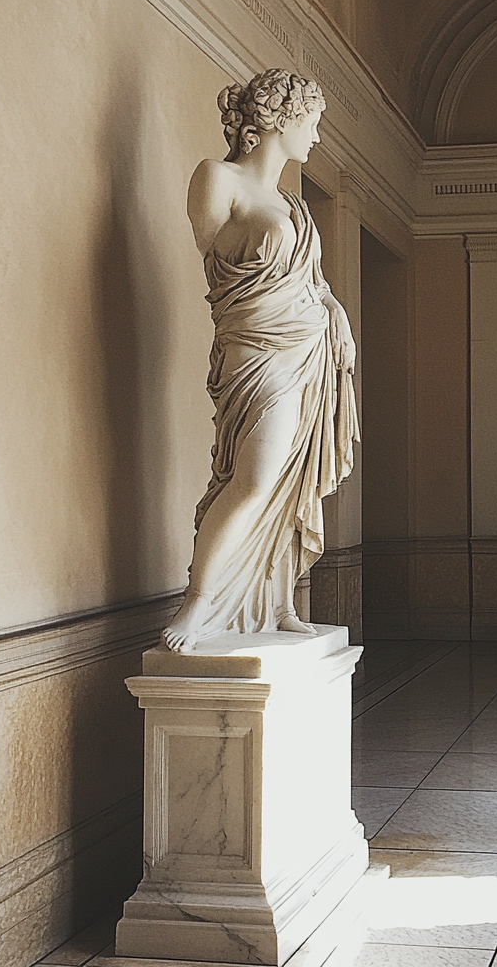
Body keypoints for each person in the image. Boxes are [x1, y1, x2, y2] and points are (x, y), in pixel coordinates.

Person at [162, 69, 358, 653]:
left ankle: (276, 600)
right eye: (313, 122)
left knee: (287, 481)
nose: (317, 137)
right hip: (254, 351)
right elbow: (218, 262)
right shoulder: (217, 179)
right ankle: (199, 602)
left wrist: (336, 311)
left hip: (308, 352)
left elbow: (315, 284)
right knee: (253, 478)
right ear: (280, 119)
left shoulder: (295, 206)